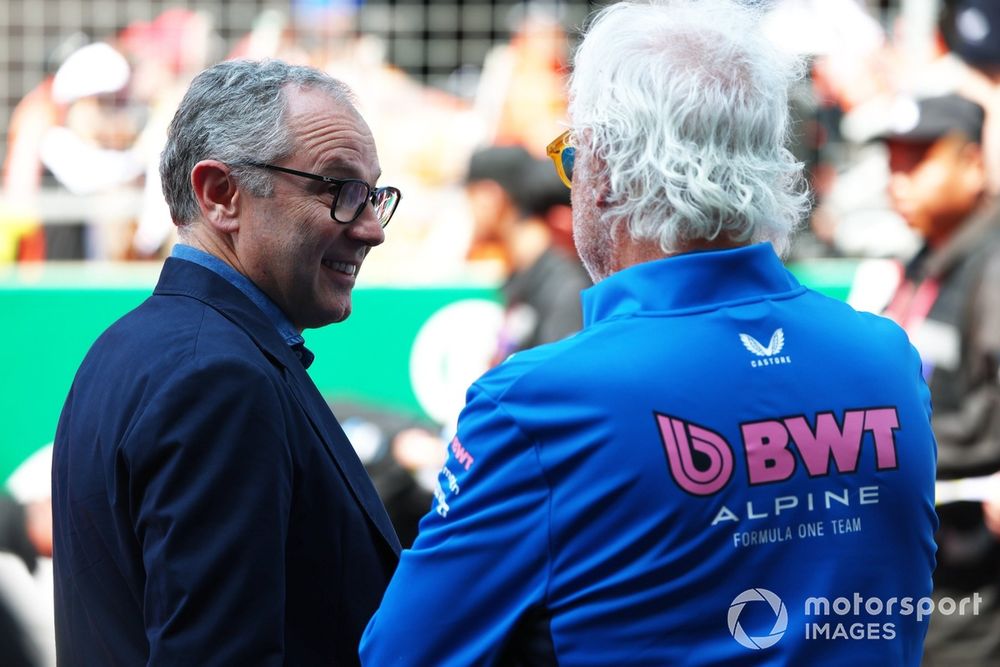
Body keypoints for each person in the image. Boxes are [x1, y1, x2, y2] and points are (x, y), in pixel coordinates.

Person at [360, 1, 938, 665]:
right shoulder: (886, 359)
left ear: (604, 174)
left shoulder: (540, 403)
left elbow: (401, 652)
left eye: (571, 158)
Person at [51, 59, 402, 666]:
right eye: (339, 191)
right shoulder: (214, 376)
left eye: (372, 195)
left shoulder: (136, 348)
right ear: (220, 195)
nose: (371, 229)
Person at [876, 93, 1000, 666]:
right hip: (922, 565)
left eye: (919, 161)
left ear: (972, 164)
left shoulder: (992, 263)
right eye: (893, 162)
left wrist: (880, 446)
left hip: (975, 577)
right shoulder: (924, 259)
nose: (899, 180)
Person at [464, 144, 591, 363]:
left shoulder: (564, 287)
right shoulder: (528, 275)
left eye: (470, 195)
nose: (468, 208)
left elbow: (560, 376)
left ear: (491, 196)